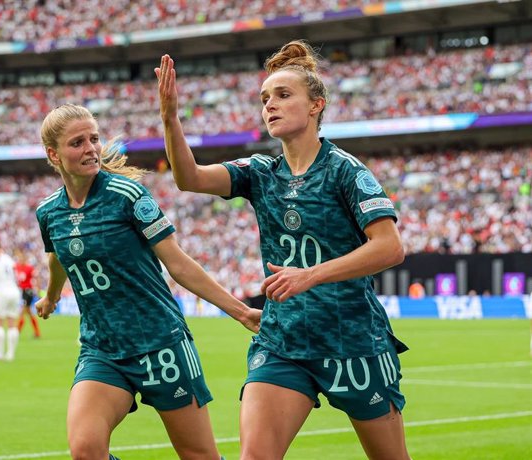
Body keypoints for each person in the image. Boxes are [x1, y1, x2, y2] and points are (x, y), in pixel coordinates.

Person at [156, 41, 411, 460]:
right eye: (264, 99)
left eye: (283, 95)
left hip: (352, 339)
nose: (269, 105)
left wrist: (308, 275)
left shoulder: (345, 171)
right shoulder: (260, 172)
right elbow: (190, 178)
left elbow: (390, 248)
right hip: (282, 342)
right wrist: (170, 118)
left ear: (316, 106)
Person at [35, 103, 261, 460]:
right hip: (102, 350)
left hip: (161, 344)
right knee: (85, 450)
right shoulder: (48, 212)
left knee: (199, 455)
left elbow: (178, 263)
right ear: (54, 154)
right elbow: (56, 255)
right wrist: (50, 297)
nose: (91, 148)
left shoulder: (127, 195)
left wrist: (241, 311)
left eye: (94, 138)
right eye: (77, 142)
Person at [14, 248, 41, 339]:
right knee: (29, 313)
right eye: (19, 258)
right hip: (22, 291)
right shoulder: (16, 267)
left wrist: (37, 288)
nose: (20, 260)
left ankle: (17, 332)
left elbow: (36, 277)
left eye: (22, 258)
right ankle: (37, 333)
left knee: (23, 311)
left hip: (28, 291)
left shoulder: (29, 268)